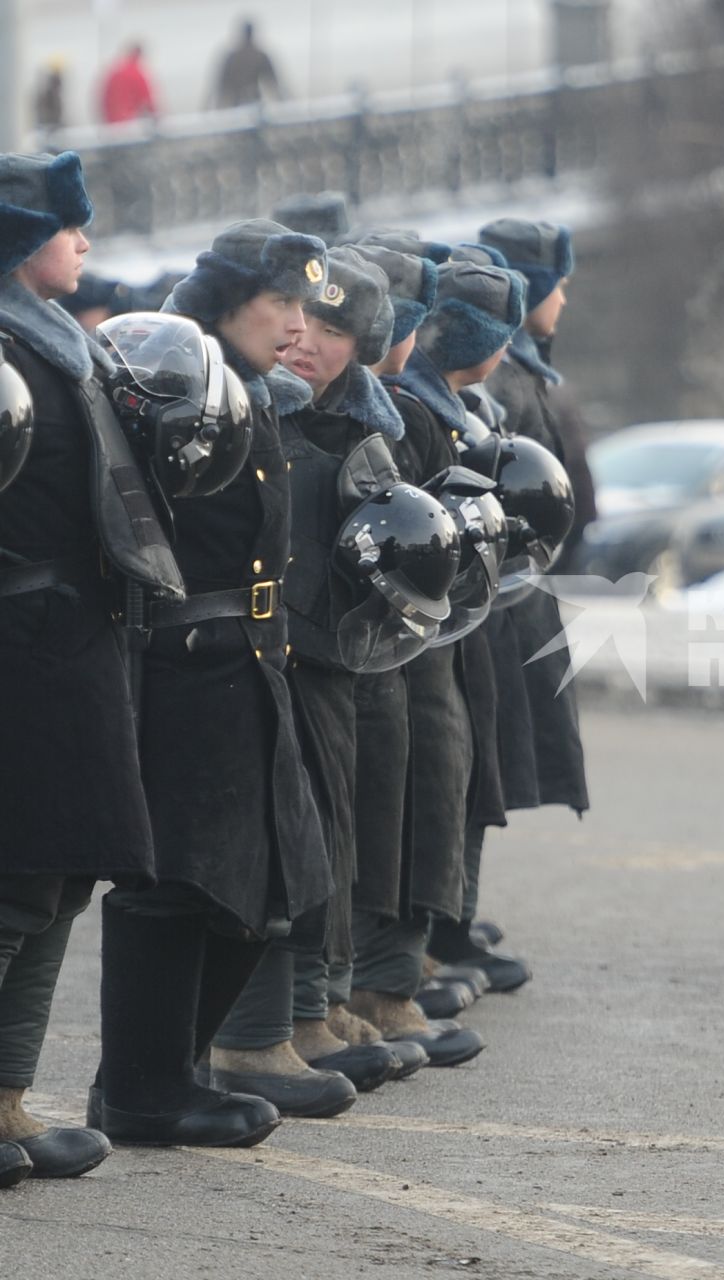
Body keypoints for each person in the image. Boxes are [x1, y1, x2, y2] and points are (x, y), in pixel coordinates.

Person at [89, 219, 335, 1147]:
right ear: (231, 298)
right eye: (284, 302)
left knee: (281, 876)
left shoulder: (242, 382)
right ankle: (147, 1091)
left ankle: (157, 1075)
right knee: (180, 880)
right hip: (185, 658)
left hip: (251, 652)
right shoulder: (165, 375)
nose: (300, 325)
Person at [208, 246, 439, 1111]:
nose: (307, 340)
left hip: (338, 659)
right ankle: (263, 1028)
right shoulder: (252, 408)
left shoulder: (374, 426)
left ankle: (317, 1005)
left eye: (336, 328)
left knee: (338, 830)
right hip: (262, 658)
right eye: (302, 317)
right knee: (278, 843)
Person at [0, 150, 186, 1179]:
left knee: (61, 874)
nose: (87, 242)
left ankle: (8, 1100)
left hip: (75, 640)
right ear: (22, 240)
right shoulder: (9, 348)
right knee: (15, 879)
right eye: (69, 226)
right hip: (21, 643)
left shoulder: (59, 342)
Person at [344, 260, 526, 1062]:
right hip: (382, 650)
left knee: (427, 795)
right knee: (389, 810)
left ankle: (383, 980)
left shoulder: (410, 407)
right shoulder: (399, 413)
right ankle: (365, 988)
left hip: (425, 645)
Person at [434, 216, 594, 992]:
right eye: (556, 281)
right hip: (484, 610)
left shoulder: (521, 366)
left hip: (509, 602)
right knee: (466, 776)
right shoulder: (493, 374)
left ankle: (450, 918)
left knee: (478, 773)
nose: (565, 296)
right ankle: (440, 927)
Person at [213, 21, 284, 110]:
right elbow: (274, 85)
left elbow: (221, 88)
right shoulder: (259, 56)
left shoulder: (233, 57)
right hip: (245, 104)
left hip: (244, 104)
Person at [100, 43, 158, 125]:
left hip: (111, 122)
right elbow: (148, 100)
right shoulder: (136, 73)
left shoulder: (115, 71)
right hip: (128, 123)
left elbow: (104, 98)